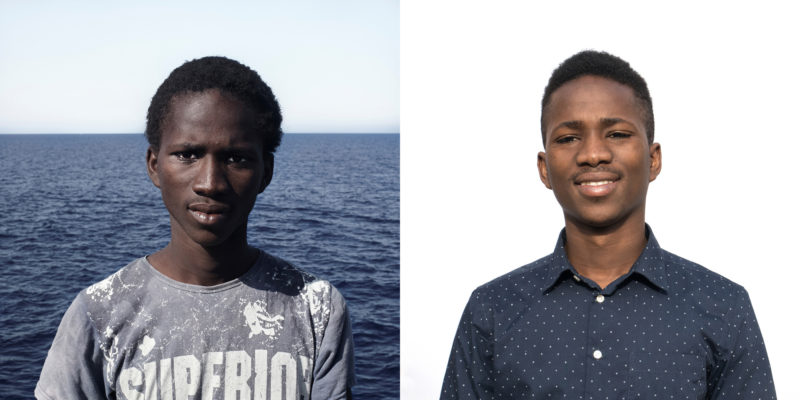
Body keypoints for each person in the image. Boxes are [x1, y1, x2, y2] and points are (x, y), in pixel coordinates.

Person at [440, 50, 775, 399]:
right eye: (569, 138)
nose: (593, 153)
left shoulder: (723, 306)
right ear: (544, 169)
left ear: (653, 159)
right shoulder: (493, 309)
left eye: (616, 134)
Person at [36, 56, 355, 399]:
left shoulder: (316, 309)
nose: (210, 183)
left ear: (266, 172)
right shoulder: (98, 314)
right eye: (188, 154)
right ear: (155, 166)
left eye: (237, 158)